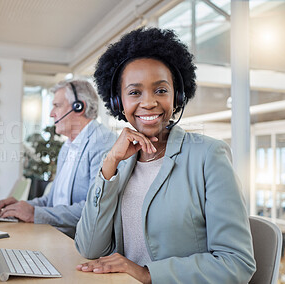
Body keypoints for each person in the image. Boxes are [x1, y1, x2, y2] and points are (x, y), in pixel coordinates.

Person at [74, 27, 256, 283]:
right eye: (135, 92)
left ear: (177, 96)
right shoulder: (119, 162)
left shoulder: (208, 155)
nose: (148, 102)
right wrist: (110, 164)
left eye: (160, 90)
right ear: (118, 102)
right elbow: (89, 248)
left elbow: (237, 262)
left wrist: (148, 273)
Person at [0, 79, 117, 238]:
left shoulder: (103, 143)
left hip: (81, 243)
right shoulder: (67, 148)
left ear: (79, 107)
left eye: (57, 106)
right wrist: (21, 207)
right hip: (56, 235)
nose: (51, 113)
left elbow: (94, 208)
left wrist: (35, 213)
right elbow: (52, 201)